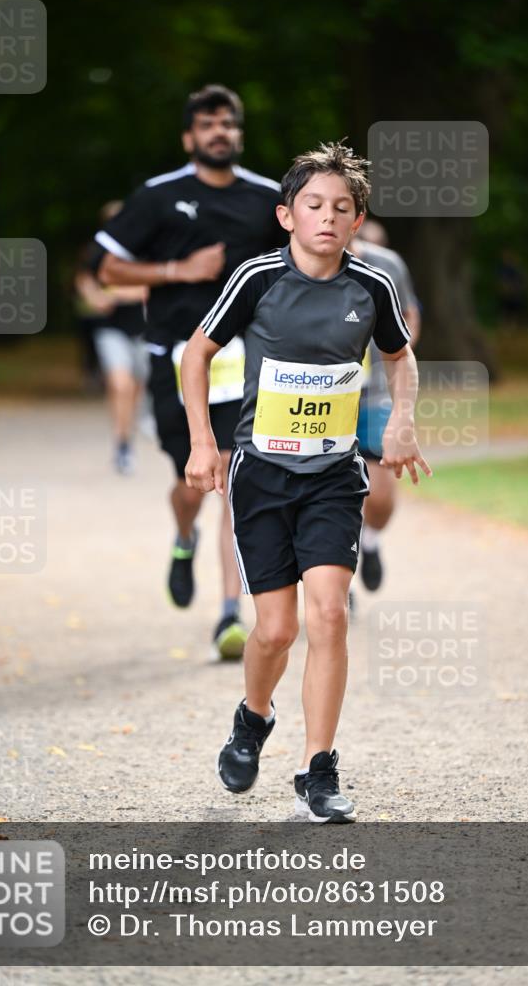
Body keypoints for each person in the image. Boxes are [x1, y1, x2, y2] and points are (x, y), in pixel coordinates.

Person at [182, 142, 432, 822]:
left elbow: (398, 359)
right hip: (261, 474)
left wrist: (401, 424)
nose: (327, 218)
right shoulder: (256, 279)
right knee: (274, 630)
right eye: (313, 206)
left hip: (331, 474)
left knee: (327, 614)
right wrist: (203, 444)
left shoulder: (371, 286)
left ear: (356, 222)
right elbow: (196, 353)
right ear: (286, 215)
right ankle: (251, 718)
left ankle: (317, 769)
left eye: (341, 209)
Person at [92, 84, 284, 660]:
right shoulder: (158, 196)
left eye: (227, 123)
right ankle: (182, 537)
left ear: (239, 133)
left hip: (245, 361)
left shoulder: (269, 199)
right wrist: (179, 269)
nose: (218, 132)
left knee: (229, 478)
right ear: (189, 137)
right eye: (207, 124)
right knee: (189, 484)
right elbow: (107, 270)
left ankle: (228, 614)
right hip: (176, 358)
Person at [349, 229, 421, 593]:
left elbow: (410, 318)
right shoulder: (293, 268)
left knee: (380, 498)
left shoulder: (387, 265)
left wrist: (395, 351)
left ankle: (371, 541)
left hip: (375, 395)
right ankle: (337, 578)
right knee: (330, 497)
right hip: (323, 402)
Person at [76, 202, 149, 474]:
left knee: (138, 386)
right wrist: (94, 297)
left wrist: (116, 293)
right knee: (120, 385)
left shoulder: (144, 249)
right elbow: (84, 280)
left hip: (143, 329)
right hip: (110, 330)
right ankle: (122, 444)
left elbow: (150, 287)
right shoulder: (97, 251)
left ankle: (132, 425)